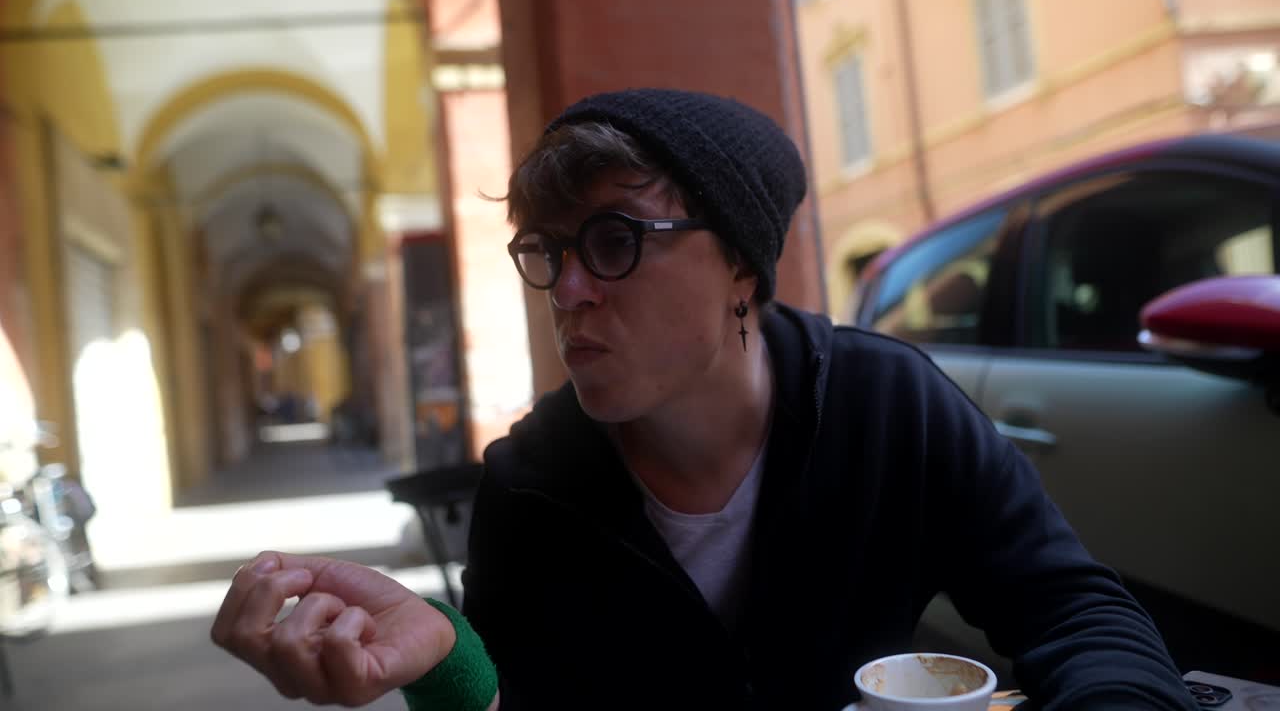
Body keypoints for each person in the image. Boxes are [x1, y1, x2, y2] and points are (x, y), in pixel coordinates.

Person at [211, 88, 1199, 710]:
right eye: (547, 255)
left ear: (737, 263)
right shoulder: (531, 486)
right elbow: (512, 699)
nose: (569, 292)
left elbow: (1070, 610)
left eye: (613, 240)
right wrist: (438, 664)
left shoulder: (882, 402)